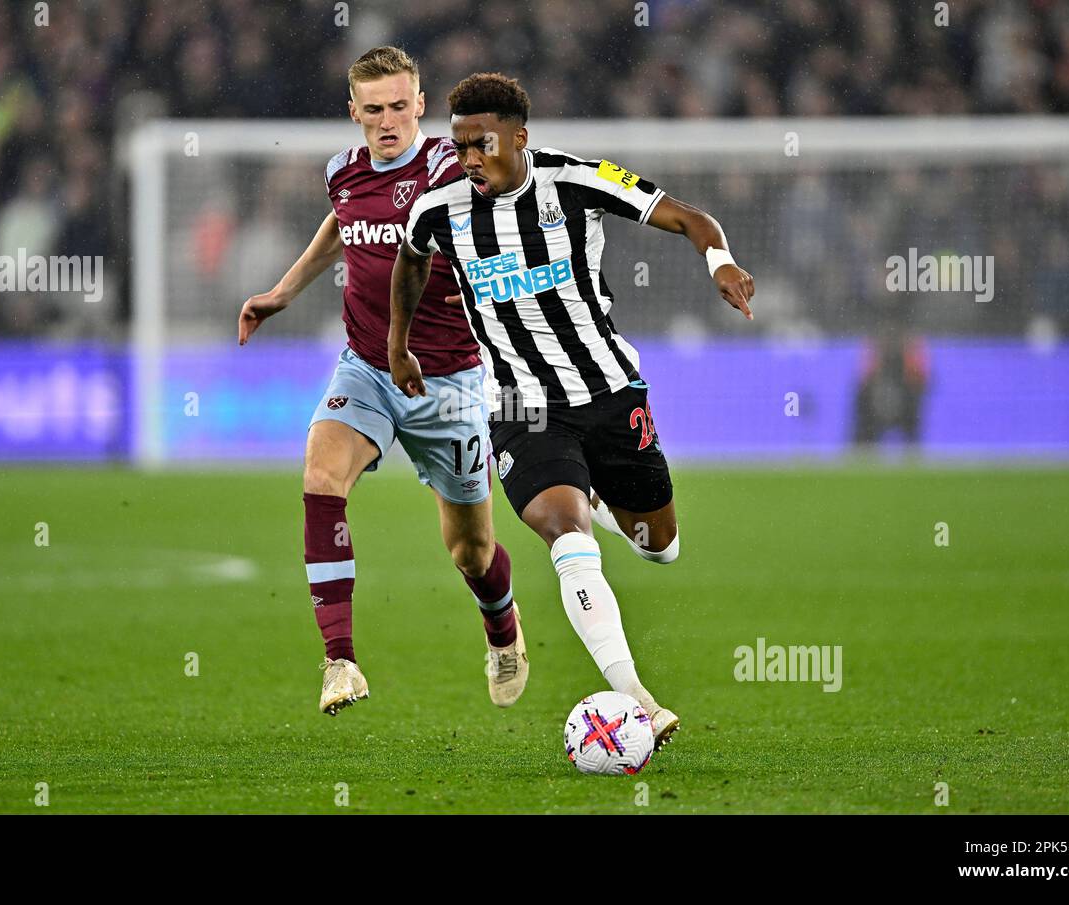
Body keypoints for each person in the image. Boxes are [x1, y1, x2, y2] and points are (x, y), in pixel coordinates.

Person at [387, 72, 756, 751]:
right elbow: (409, 264)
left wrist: (720, 265)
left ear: (520, 139)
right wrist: (398, 346)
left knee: (661, 547)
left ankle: (607, 505)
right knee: (565, 532)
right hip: (520, 405)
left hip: (611, 393)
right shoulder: (439, 211)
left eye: (483, 146)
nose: (469, 160)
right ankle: (638, 695)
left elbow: (688, 218)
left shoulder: (577, 182)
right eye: (460, 146)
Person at [238, 49, 527, 716]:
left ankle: (503, 626)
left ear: (421, 105)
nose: (389, 121)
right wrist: (283, 290)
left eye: (400, 107)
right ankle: (340, 660)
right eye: (374, 110)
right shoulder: (343, 171)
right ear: (354, 113)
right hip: (367, 365)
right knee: (320, 475)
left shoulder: (453, 170)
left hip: (447, 382)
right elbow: (342, 227)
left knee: (472, 550)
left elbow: (505, 232)